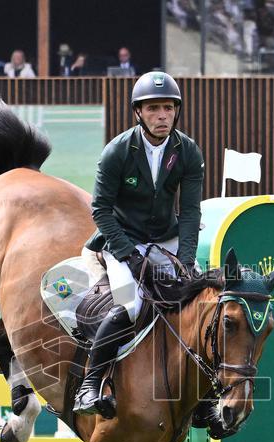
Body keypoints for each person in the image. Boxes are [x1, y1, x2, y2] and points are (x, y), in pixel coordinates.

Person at [73, 71, 205, 417]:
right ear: (138, 113)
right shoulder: (117, 151)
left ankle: (206, 398)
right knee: (130, 305)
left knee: (201, 302)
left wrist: (186, 261)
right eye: (153, 109)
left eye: (168, 108)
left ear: (176, 111)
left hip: (166, 237)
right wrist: (128, 255)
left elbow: (191, 212)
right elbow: (100, 210)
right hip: (122, 238)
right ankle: (90, 384)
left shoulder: (188, 151)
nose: (162, 116)